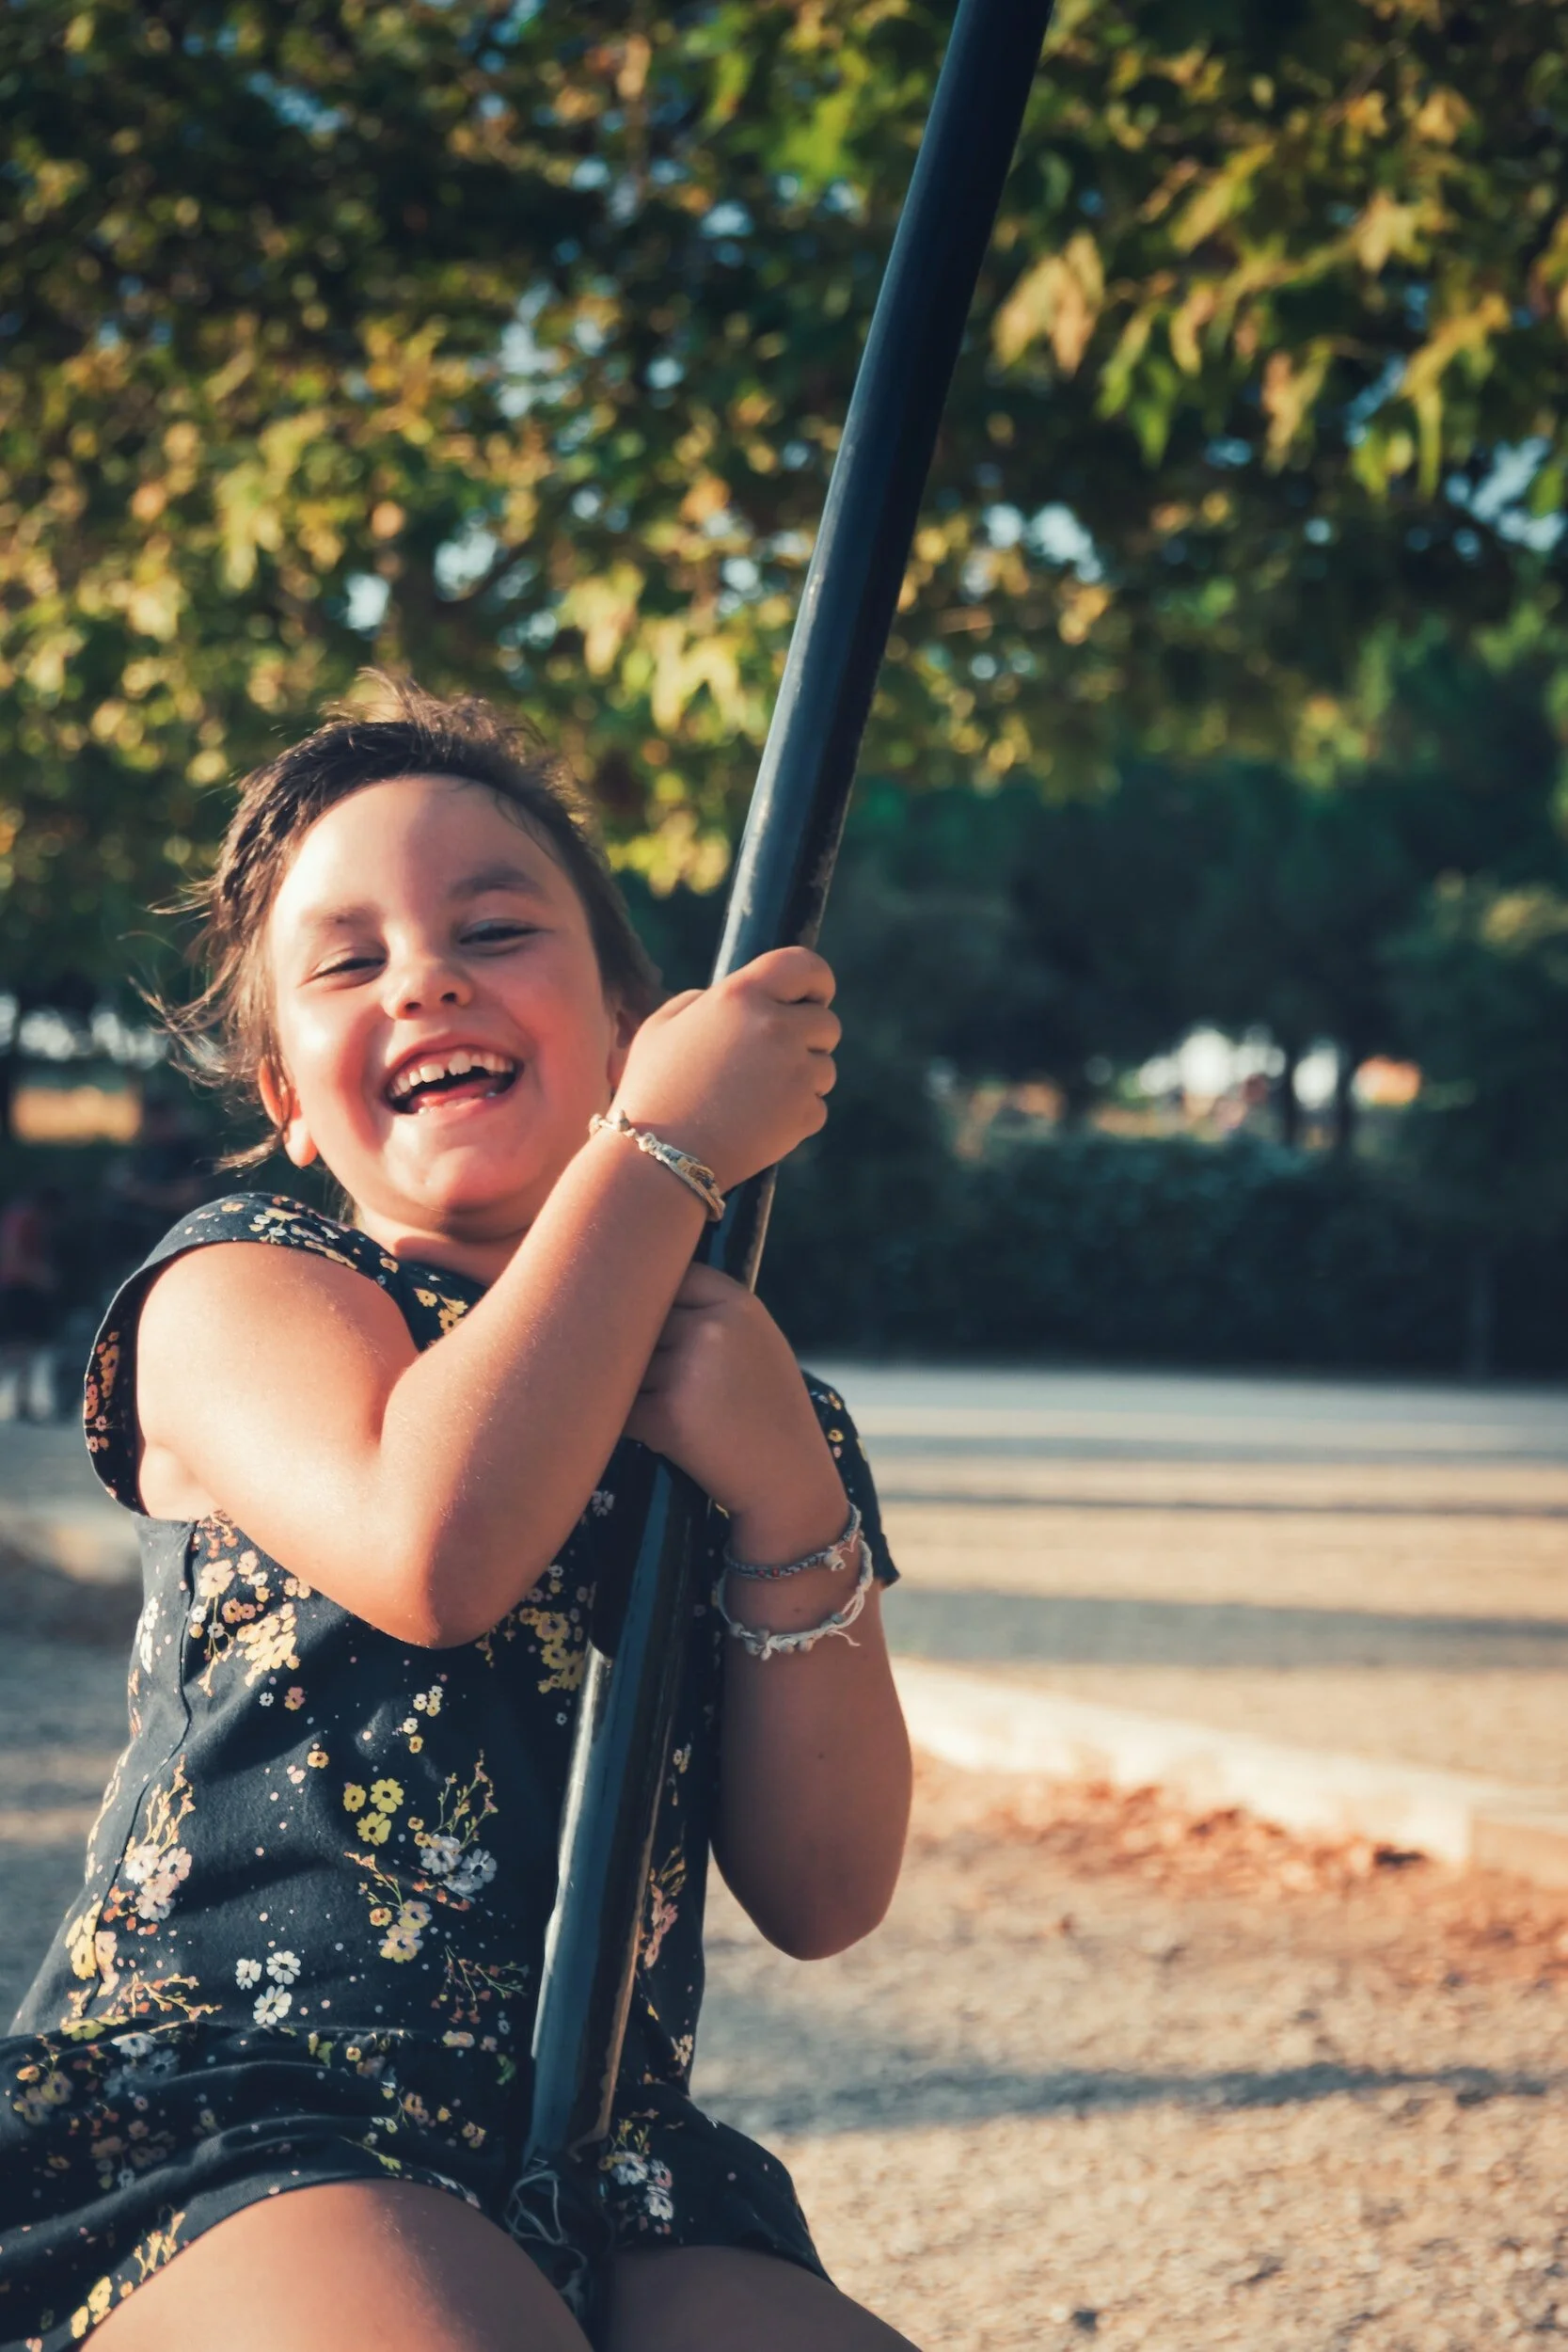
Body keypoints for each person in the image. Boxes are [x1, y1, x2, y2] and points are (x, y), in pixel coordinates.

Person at [0, 681, 916, 2352]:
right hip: (243, 2112)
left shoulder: (747, 1402)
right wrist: (655, 1154)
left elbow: (824, 1886)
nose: (424, 974)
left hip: (600, 2155)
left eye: (493, 926)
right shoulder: (245, 1289)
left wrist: (788, 1487)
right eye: (348, 963)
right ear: (287, 1098)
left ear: (639, 1016)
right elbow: (434, 1544)